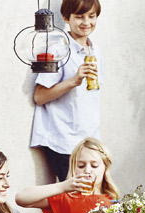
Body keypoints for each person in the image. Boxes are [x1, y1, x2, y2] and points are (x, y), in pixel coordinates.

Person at [30, 0, 103, 182]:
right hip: (64, 142)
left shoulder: (95, 51)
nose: (86, 22)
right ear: (66, 18)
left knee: (91, 201)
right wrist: (74, 81)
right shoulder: (58, 50)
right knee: (74, 200)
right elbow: (39, 96)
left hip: (90, 139)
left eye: (91, 16)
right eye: (79, 17)